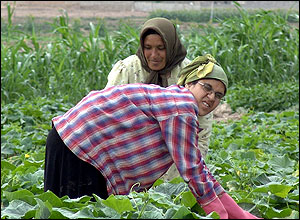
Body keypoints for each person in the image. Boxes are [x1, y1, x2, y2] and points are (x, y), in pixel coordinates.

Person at [44, 55, 260, 219]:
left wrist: (242, 216)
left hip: (70, 140)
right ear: (190, 84)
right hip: (76, 145)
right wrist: (221, 216)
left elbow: (201, 173)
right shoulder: (181, 107)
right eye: (207, 87)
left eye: (219, 95)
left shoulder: (175, 101)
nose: (212, 97)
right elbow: (193, 172)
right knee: (75, 212)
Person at [105, 17, 213, 181]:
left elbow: (202, 129)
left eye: (161, 48)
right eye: (148, 48)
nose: (153, 55)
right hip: (128, 157)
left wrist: (184, 174)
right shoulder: (127, 70)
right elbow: (107, 117)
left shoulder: (189, 75)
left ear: (170, 46)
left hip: (176, 159)